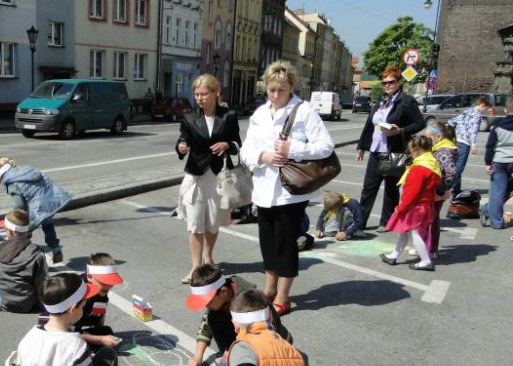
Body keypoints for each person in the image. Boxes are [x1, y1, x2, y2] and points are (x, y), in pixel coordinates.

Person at [240, 60, 334, 316]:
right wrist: (262, 156)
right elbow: (246, 149)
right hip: (263, 189)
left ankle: (283, 295)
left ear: (291, 86)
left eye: (280, 90)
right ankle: (269, 288)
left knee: (285, 244)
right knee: (267, 242)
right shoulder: (260, 114)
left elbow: (326, 146)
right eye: (271, 89)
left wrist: (294, 148)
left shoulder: (304, 111)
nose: (275, 95)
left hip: (290, 191)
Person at [175, 74, 242, 284]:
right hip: (195, 175)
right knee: (194, 222)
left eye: (204, 94)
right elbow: (182, 140)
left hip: (218, 176)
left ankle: (208, 257)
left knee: (212, 222)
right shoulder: (189, 117)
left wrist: (227, 146)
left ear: (216, 93)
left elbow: (238, 143)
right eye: (196, 94)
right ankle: (196, 267)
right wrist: (181, 147)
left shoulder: (229, 116)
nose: (200, 98)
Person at [185, 265, 292, 366]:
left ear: (223, 291)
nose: (206, 306)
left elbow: (267, 333)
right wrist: (197, 358)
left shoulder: (250, 301)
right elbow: (206, 324)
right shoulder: (220, 299)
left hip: (274, 343)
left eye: (208, 302)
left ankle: (238, 358)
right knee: (212, 317)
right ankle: (230, 354)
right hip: (249, 336)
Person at [356, 66, 425, 231]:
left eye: (391, 82)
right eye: (384, 82)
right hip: (375, 150)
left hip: (393, 151)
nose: (387, 85)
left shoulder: (406, 101)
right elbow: (370, 125)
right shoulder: (380, 102)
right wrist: (362, 147)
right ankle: (360, 222)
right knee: (368, 188)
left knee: (390, 189)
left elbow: (419, 123)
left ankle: (387, 221)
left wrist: (400, 130)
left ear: (398, 82)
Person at [379, 135, 442, 271]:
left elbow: (411, 191)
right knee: (404, 232)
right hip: (424, 205)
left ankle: (426, 261)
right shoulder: (432, 163)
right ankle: (393, 255)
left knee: (415, 234)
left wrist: (401, 207)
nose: (410, 153)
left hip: (415, 207)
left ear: (417, 149)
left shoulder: (419, 168)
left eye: (411, 150)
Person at [0, 156, 71, 264]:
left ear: (0, 173)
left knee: (24, 232)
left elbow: (19, 204)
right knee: (47, 224)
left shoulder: (10, 181)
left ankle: (26, 258)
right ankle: (55, 249)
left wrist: (14, 217)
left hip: (37, 208)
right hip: (49, 203)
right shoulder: (25, 170)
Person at [0, 209, 48, 315]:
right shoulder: (36, 253)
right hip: (28, 304)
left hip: (6, 301)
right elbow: (42, 283)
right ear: (26, 231)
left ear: (10, 231)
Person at [76, 253, 124, 352]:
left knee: (107, 332)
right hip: (57, 332)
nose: (109, 286)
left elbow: (100, 308)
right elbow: (68, 332)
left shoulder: (99, 287)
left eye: (111, 282)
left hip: (78, 320)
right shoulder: (78, 294)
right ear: (89, 277)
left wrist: (100, 332)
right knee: (95, 346)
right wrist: (101, 340)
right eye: (104, 282)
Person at [424, 122, 458, 257]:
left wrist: (439, 190)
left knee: (431, 220)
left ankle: (430, 249)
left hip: (437, 191)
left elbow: (451, 173)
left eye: (429, 138)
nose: (428, 140)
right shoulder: (440, 147)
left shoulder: (444, 150)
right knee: (430, 219)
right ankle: (427, 247)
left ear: (438, 136)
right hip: (435, 190)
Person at [448, 96, 491, 197]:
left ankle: (456, 188)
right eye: (486, 108)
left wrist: (451, 133)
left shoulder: (467, 111)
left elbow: (452, 121)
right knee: (459, 167)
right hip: (465, 143)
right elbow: (474, 130)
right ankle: (452, 187)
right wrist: (474, 144)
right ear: (482, 105)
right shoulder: (477, 115)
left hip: (456, 140)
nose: (486, 110)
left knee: (455, 164)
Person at [480, 98, 513, 229]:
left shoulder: (498, 126)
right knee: (507, 189)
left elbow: (490, 146)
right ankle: (488, 209)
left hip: (500, 161)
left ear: (505, 110)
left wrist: (488, 162)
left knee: (498, 191)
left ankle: (496, 220)